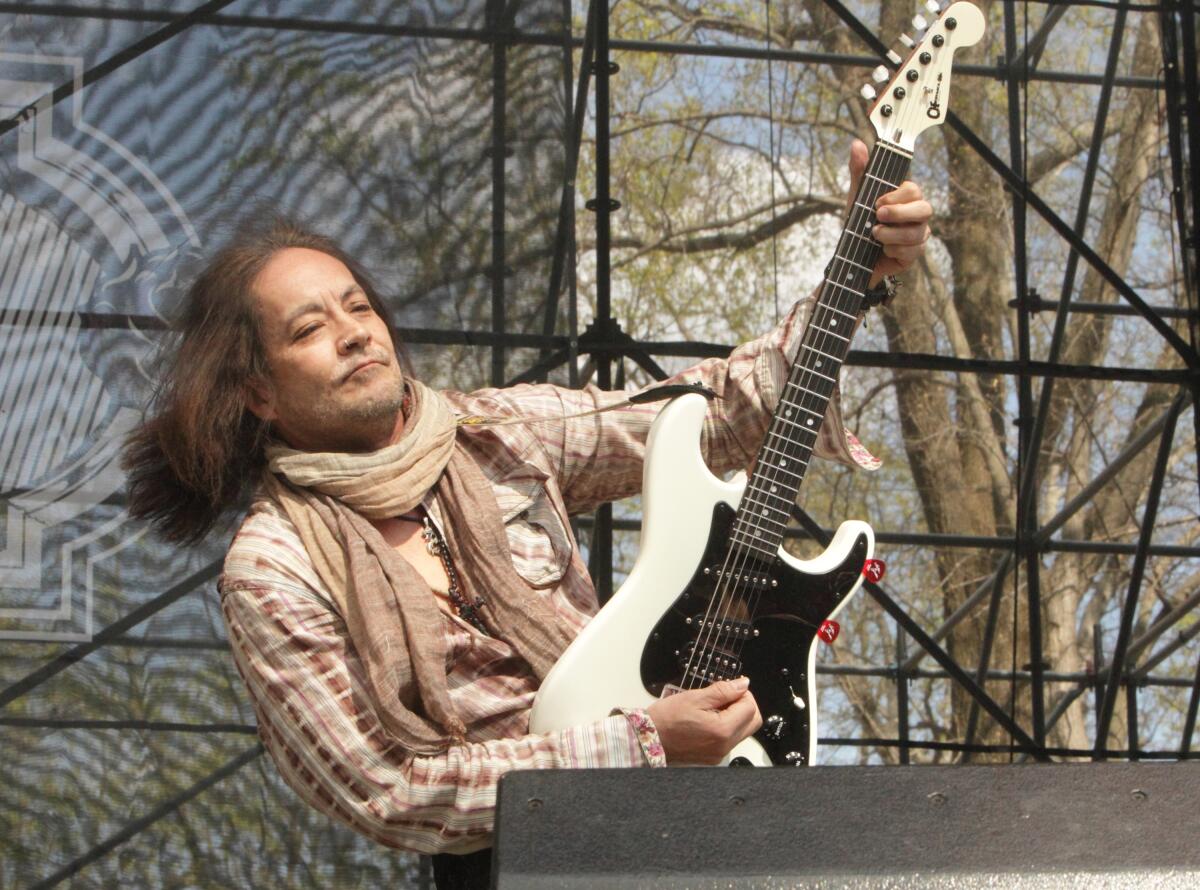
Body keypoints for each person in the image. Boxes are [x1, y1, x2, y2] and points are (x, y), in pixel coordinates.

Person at [123, 140, 931, 889]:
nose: (353, 335)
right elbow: (384, 790)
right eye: (309, 328)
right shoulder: (272, 565)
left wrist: (853, 274)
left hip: (696, 818)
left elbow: (720, 414)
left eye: (358, 307)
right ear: (258, 392)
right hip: (518, 865)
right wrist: (641, 746)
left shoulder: (501, 433)